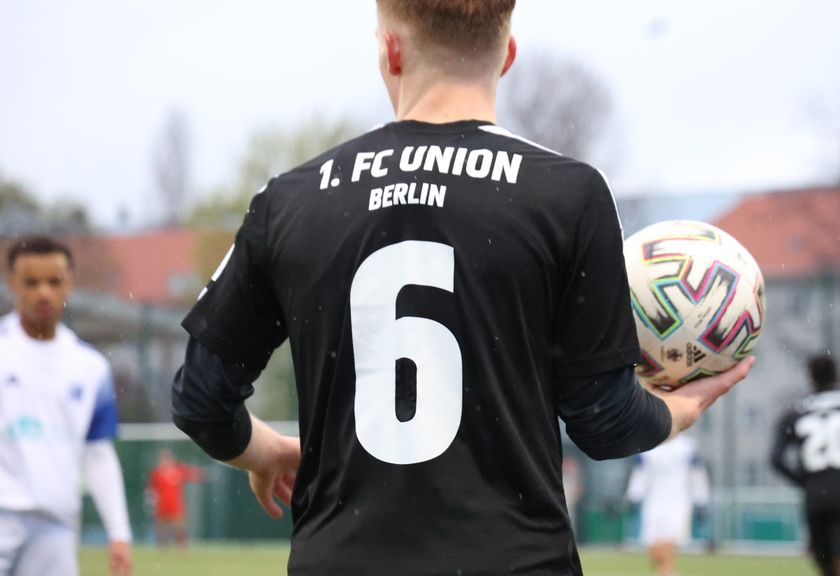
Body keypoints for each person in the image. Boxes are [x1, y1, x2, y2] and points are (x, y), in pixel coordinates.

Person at [171, 1, 754, 573]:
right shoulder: (567, 195)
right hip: (512, 560)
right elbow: (603, 422)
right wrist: (679, 408)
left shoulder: (293, 199)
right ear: (508, 54)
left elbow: (201, 400)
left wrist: (264, 451)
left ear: (390, 50)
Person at [0, 236, 133, 576]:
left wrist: (119, 533)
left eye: (54, 281)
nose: (43, 292)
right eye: (31, 282)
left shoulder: (90, 368)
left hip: (56, 528)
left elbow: (98, 453)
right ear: (12, 283)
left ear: (70, 283)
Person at [770, 354, 840, 576]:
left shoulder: (796, 411)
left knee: (825, 563)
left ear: (811, 377)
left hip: (815, 495)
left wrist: (804, 481)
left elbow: (775, 458)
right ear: (836, 375)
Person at [626, 433, 710, 576]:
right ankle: (665, 570)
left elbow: (697, 474)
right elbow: (640, 474)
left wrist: (701, 499)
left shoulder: (687, 447)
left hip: (680, 500)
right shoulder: (647, 446)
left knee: (671, 540)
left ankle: (668, 571)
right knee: (654, 546)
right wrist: (632, 497)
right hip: (653, 501)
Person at [147, 449, 206, 548]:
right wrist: (150, 502)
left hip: (175, 505)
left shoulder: (178, 470)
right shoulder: (156, 473)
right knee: (161, 529)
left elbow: (192, 474)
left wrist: (203, 475)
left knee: (179, 528)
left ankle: (181, 547)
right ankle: (162, 548)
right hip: (162, 505)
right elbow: (151, 489)